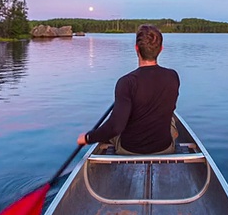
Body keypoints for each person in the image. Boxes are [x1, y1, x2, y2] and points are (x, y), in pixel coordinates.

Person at [77, 24, 180, 154]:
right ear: (161, 49)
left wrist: (88, 137)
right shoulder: (173, 76)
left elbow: (115, 127)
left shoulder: (126, 82)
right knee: (172, 119)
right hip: (164, 148)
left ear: (136, 48)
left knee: (113, 124)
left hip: (129, 149)